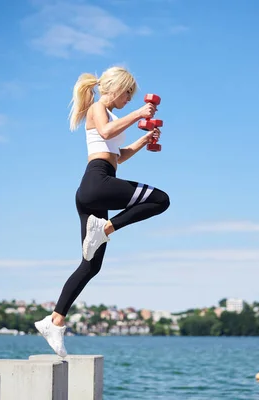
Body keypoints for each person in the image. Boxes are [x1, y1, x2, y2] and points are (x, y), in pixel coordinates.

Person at [34, 66, 170, 356]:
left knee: (91, 265)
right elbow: (107, 132)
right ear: (117, 89)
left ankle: (54, 321)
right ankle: (106, 228)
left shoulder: (113, 117)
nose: (129, 101)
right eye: (128, 95)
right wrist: (139, 116)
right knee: (160, 200)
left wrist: (143, 140)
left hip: (97, 188)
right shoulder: (98, 108)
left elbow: (117, 155)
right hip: (97, 182)